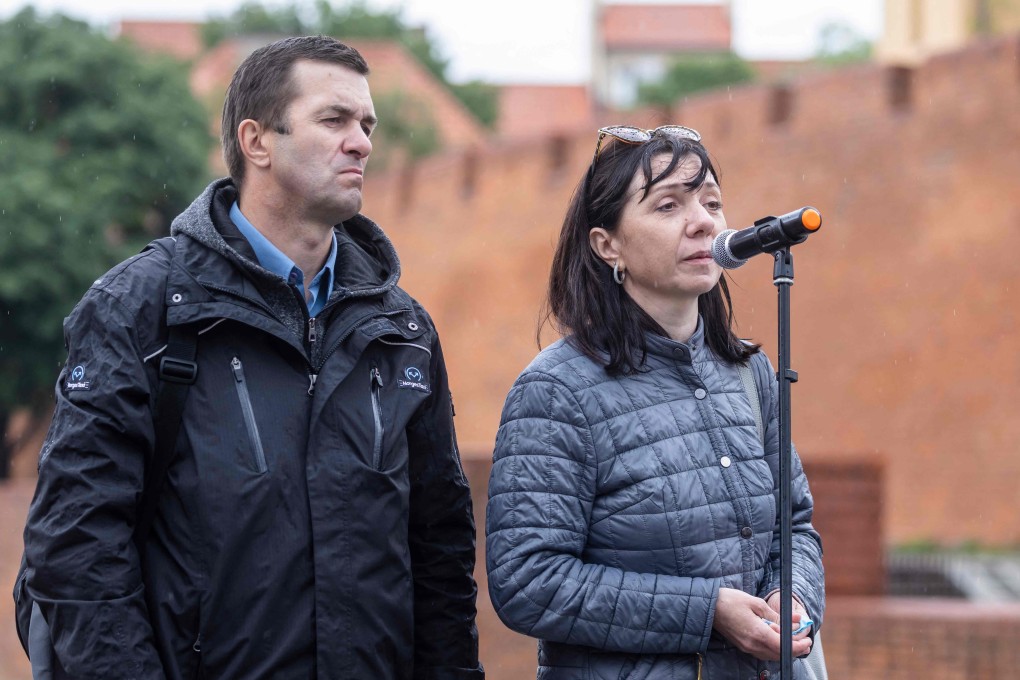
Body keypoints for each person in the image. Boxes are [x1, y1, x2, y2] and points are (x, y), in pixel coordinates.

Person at [18, 35, 483, 679]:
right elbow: (76, 547)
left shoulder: (402, 331)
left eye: (367, 124)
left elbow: (439, 550)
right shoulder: (141, 309)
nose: (363, 143)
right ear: (257, 141)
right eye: (334, 120)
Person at [485, 125, 824, 679]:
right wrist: (707, 612)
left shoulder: (748, 372)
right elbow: (528, 580)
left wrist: (796, 599)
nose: (703, 221)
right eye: (668, 206)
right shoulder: (556, 390)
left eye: (711, 202)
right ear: (607, 245)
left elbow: (796, 525)